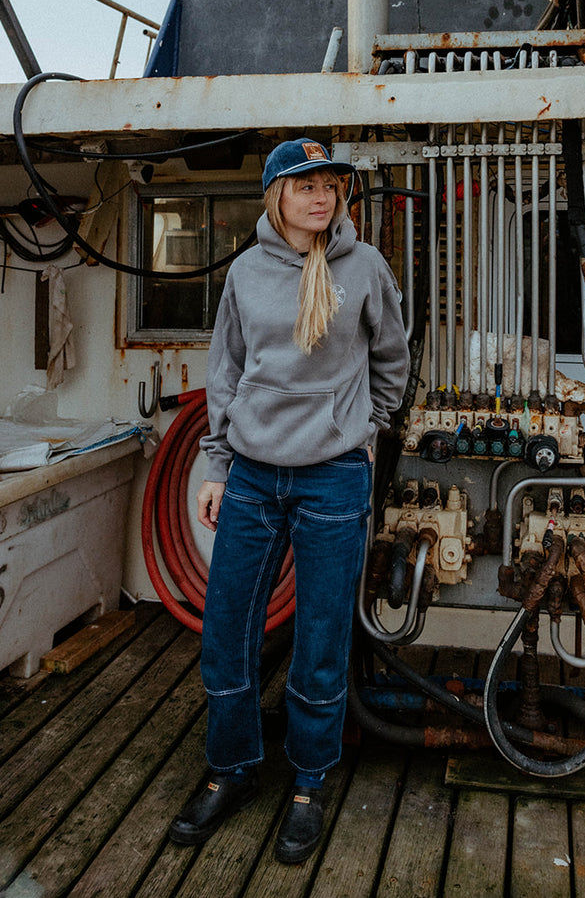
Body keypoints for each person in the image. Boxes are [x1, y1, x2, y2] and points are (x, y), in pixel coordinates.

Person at [169, 138, 409, 863]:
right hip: (251, 474)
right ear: (276, 195)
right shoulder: (245, 272)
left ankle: (308, 781)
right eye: (306, 185)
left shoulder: (364, 268)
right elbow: (226, 372)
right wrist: (215, 465)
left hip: (333, 475)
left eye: (331, 185)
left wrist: (366, 429)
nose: (322, 196)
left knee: (322, 641)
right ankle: (232, 766)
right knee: (228, 630)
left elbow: (393, 359)